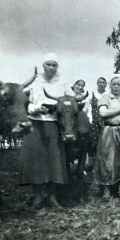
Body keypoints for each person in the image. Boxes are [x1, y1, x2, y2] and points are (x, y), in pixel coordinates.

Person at [20, 52, 67, 209]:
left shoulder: (62, 83)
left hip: (53, 124)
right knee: (36, 161)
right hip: (35, 124)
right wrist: (36, 109)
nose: (51, 68)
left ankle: (53, 197)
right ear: (43, 65)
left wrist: (57, 108)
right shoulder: (35, 82)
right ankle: (38, 197)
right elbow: (25, 103)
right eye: (48, 64)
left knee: (55, 161)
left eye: (54, 65)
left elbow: (68, 102)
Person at [94, 74, 120, 202]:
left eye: (119, 84)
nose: (116, 87)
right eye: (114, 84)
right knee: (107, 158)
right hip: (109, 129)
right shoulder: (105, 97)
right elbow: (103, 113)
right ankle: (107, 189)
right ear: (110, 85)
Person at [85, 77, 107, 172]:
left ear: (106, 84)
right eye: (100, 82)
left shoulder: (108, 94)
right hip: (94, 121)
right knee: (94, 142)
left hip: (105, 121)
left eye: (103, 82)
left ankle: (104, 164)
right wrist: (89, 118)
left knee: (105, 143)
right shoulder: (92, 94)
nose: (101, 84)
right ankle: (93, 165)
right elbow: (87, 107)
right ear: (97, 83)